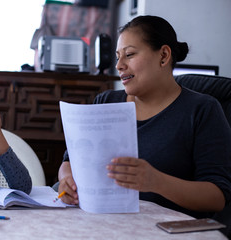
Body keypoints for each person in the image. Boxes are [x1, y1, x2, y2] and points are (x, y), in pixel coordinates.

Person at [57, 15, 231, 218]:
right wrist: (67, 179)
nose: (119, 65)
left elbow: (217, 197)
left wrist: (156, 181)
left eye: (129, 54)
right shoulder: (105, 102)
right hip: (101, 224)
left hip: (168, 230)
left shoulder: (202, 110)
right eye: (117, 56)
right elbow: (69, 161)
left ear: (164, 56)